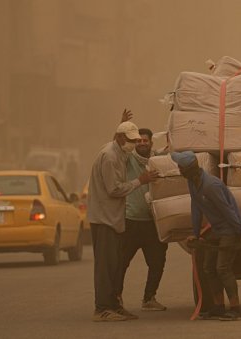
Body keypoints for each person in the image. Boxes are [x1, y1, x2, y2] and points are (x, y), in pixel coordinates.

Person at [170, 151, 241, 321]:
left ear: (189, 169)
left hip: (229, 229)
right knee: (208, 268)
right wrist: (195, 234)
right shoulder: (192, 183)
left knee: (222, 268)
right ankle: (218, 306)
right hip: (216, 229)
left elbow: (229, 210)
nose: (178, 170)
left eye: (180, 167)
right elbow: (196, 208)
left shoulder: (211, 186)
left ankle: (235, 308)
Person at [87, 115, 159, 322]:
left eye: (136, 140)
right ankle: (102, 309)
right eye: (131, 140)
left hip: (113, 218)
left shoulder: (118, 151)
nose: (134, 144)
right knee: (105, 267)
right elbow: (114, 189)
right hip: (104, 219)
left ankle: (114, 305)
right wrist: (140, 181)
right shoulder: (110, 157)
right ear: (120, 138)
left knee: (114, 265)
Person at [116, 125, 168, 312]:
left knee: (157, 262)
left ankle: (149, 298)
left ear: (151, 142)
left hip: (153, 223)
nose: (141, 143)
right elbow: (116, 147)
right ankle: (116, 297)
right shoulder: (128, 159)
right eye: (138, 141)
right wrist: (120, 127)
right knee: (121, 262)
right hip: (131, 221)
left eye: (145, 140)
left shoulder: (157, 160)